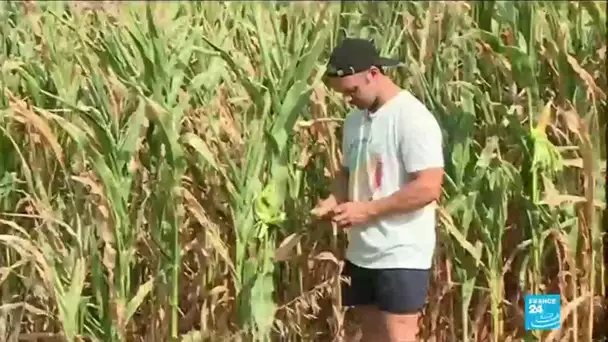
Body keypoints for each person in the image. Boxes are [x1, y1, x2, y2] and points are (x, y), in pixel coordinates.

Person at [312, 38, 445, 341]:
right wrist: (333, 200)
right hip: (361, 253)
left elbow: (428, 186)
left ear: (373, 73)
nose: (348, 99)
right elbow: (347, 172)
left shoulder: (412, 118)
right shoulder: (354, 121)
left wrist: (367, 210)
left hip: (401, 254)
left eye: (352, 91)